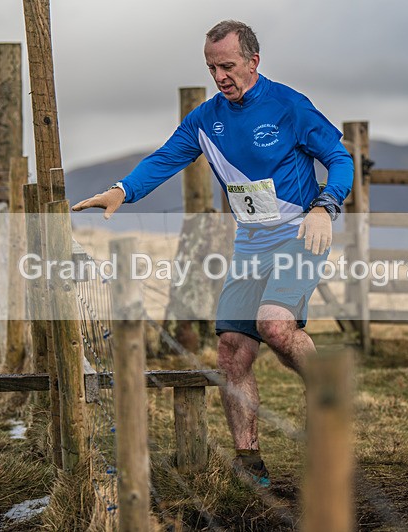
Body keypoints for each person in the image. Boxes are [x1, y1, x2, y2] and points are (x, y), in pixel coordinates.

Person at [72, 20, 353, 487]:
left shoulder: (289, 106)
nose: (220, 76)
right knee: (231, 351)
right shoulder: (206, 120)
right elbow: (165, 158)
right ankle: (250, 464)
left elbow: (339, 158)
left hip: (299, 234)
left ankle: (327, 392)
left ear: (253, 62)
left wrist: (325, 207)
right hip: (251, 242)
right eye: (211, 67)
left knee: (276, 325)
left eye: (227, 65)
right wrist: (123, 190)